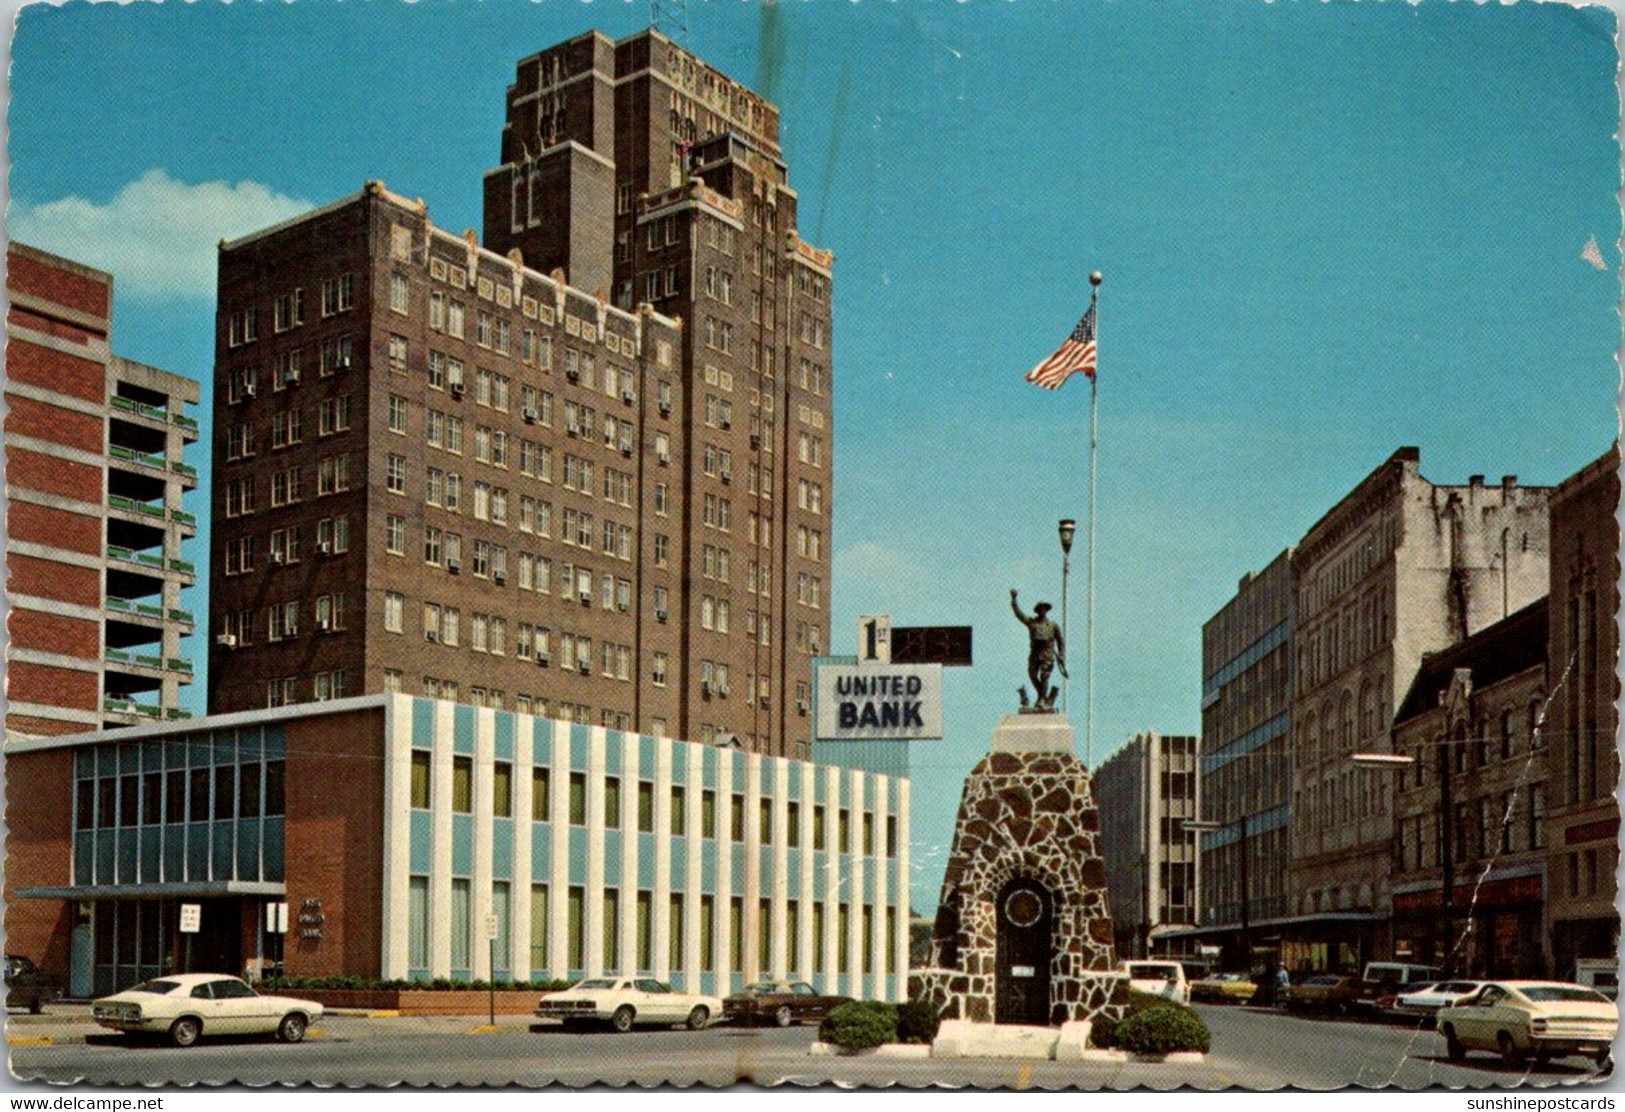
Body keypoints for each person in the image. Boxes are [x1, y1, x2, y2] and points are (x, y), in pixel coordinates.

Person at [1010, 589, 1067, 710]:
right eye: (1040, 608)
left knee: (1045, 676)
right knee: (1032, 674)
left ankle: (1042, 699)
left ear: (1046, 610)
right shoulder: (1032, 622)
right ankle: (1043, 695)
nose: (1042, 610)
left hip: (1048, 654)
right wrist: (1014, 601)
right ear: (1037, 610)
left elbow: (1061, 640)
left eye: (1044, 608)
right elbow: (1019, 614)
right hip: (1035, 654)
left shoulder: (1053, 625)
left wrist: (1061, 654)